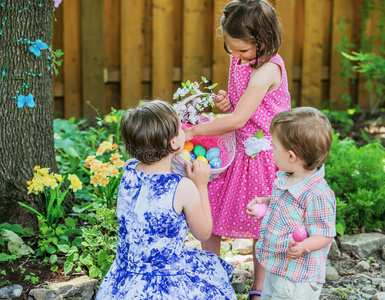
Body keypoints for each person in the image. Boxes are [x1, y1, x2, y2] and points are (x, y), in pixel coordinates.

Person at [183, 0, 290, 298]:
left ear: (264, 40)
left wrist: (191, 130)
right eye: (231, 49)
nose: (236, 56)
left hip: (261, 154)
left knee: (260, 220)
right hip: (237, 146)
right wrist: (225, 101)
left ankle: (259, 287)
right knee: (212, 207)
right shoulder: (242, 59)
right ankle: (212, 273)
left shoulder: (268, 69)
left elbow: (239, 119)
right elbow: (238, 107)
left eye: (242, 50)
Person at [96, 100, 236, 300]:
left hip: (126, 277)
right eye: (181, 128)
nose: (184, 130)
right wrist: (201, 185)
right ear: (174, 143)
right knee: (210, 271)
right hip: (166, 282)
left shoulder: (129, 168)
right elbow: (204, 233)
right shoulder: (182, 187)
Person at [246, 107, 336, 300]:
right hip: (277, 265)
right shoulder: (288, 176)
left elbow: (325, 233)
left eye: (274, 146)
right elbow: (285, 203)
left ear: (291, 156)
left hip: (297, 279)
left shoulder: (318, 195)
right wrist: (266, 203)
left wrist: (304, 247)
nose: (271, 150)